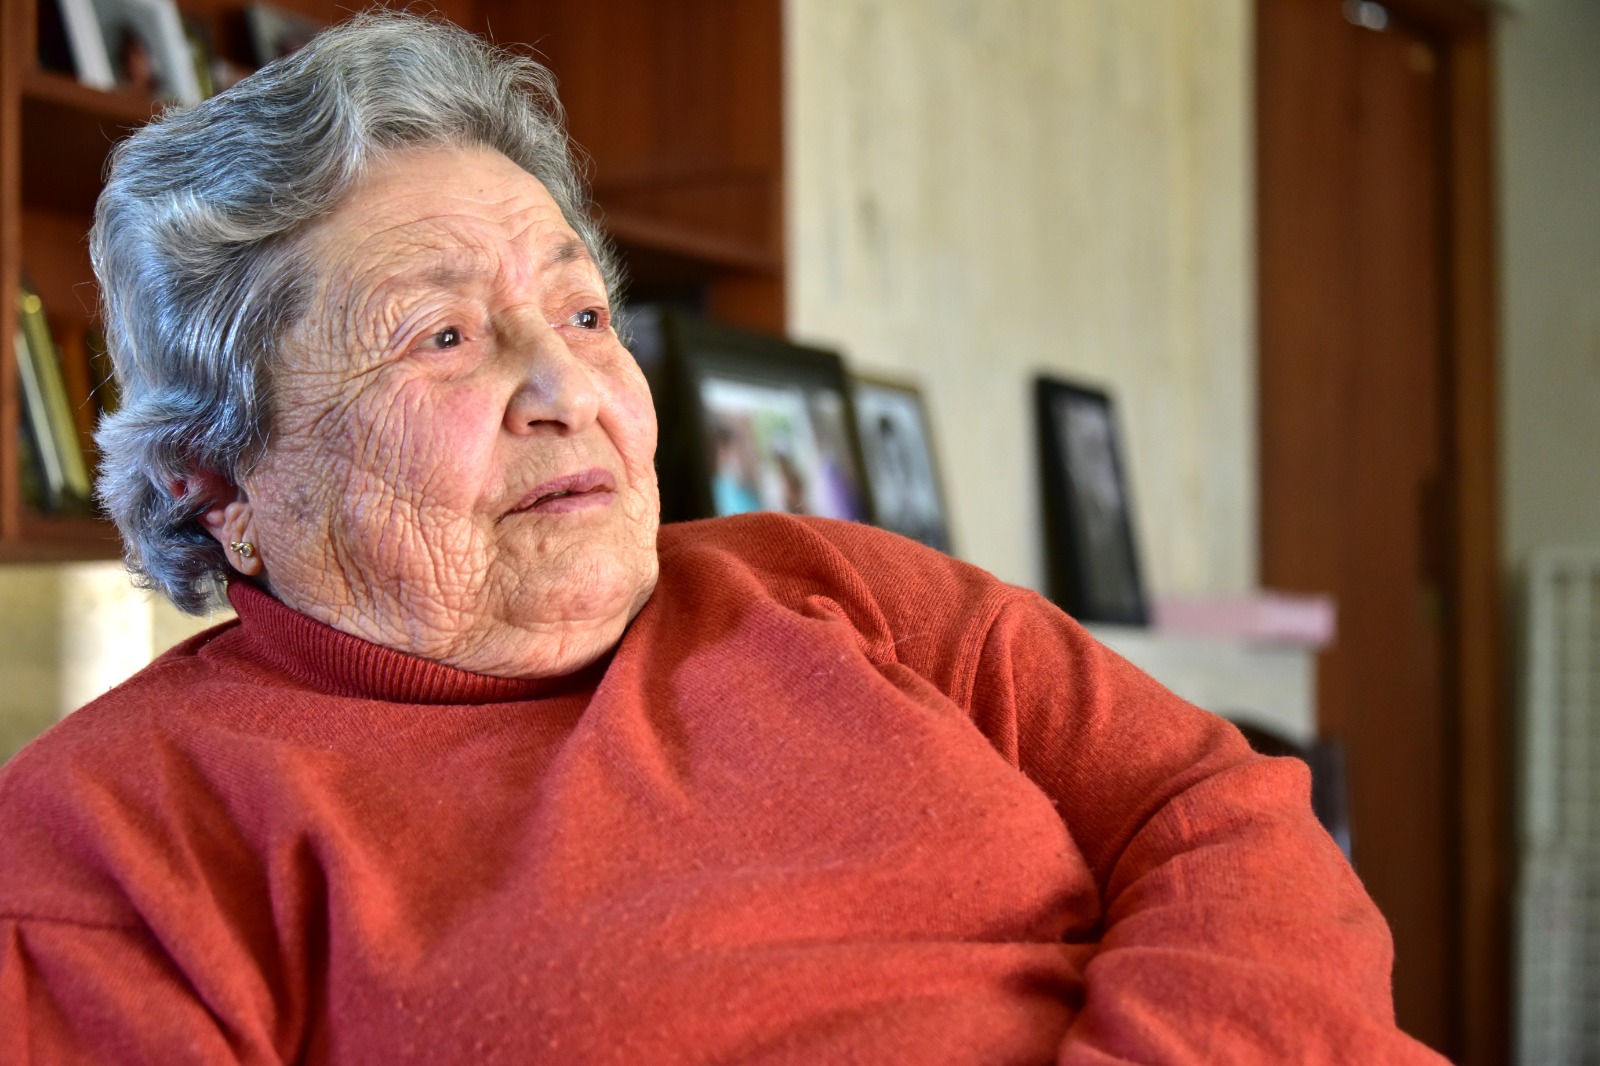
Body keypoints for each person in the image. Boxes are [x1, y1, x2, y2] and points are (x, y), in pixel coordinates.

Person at [0, 13, 1446, 1064]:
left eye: (582, 313)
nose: (570, 388)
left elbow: (1223, 814)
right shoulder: (113, 833)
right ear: (218, 482)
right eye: (441, 337)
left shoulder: (836, 584)